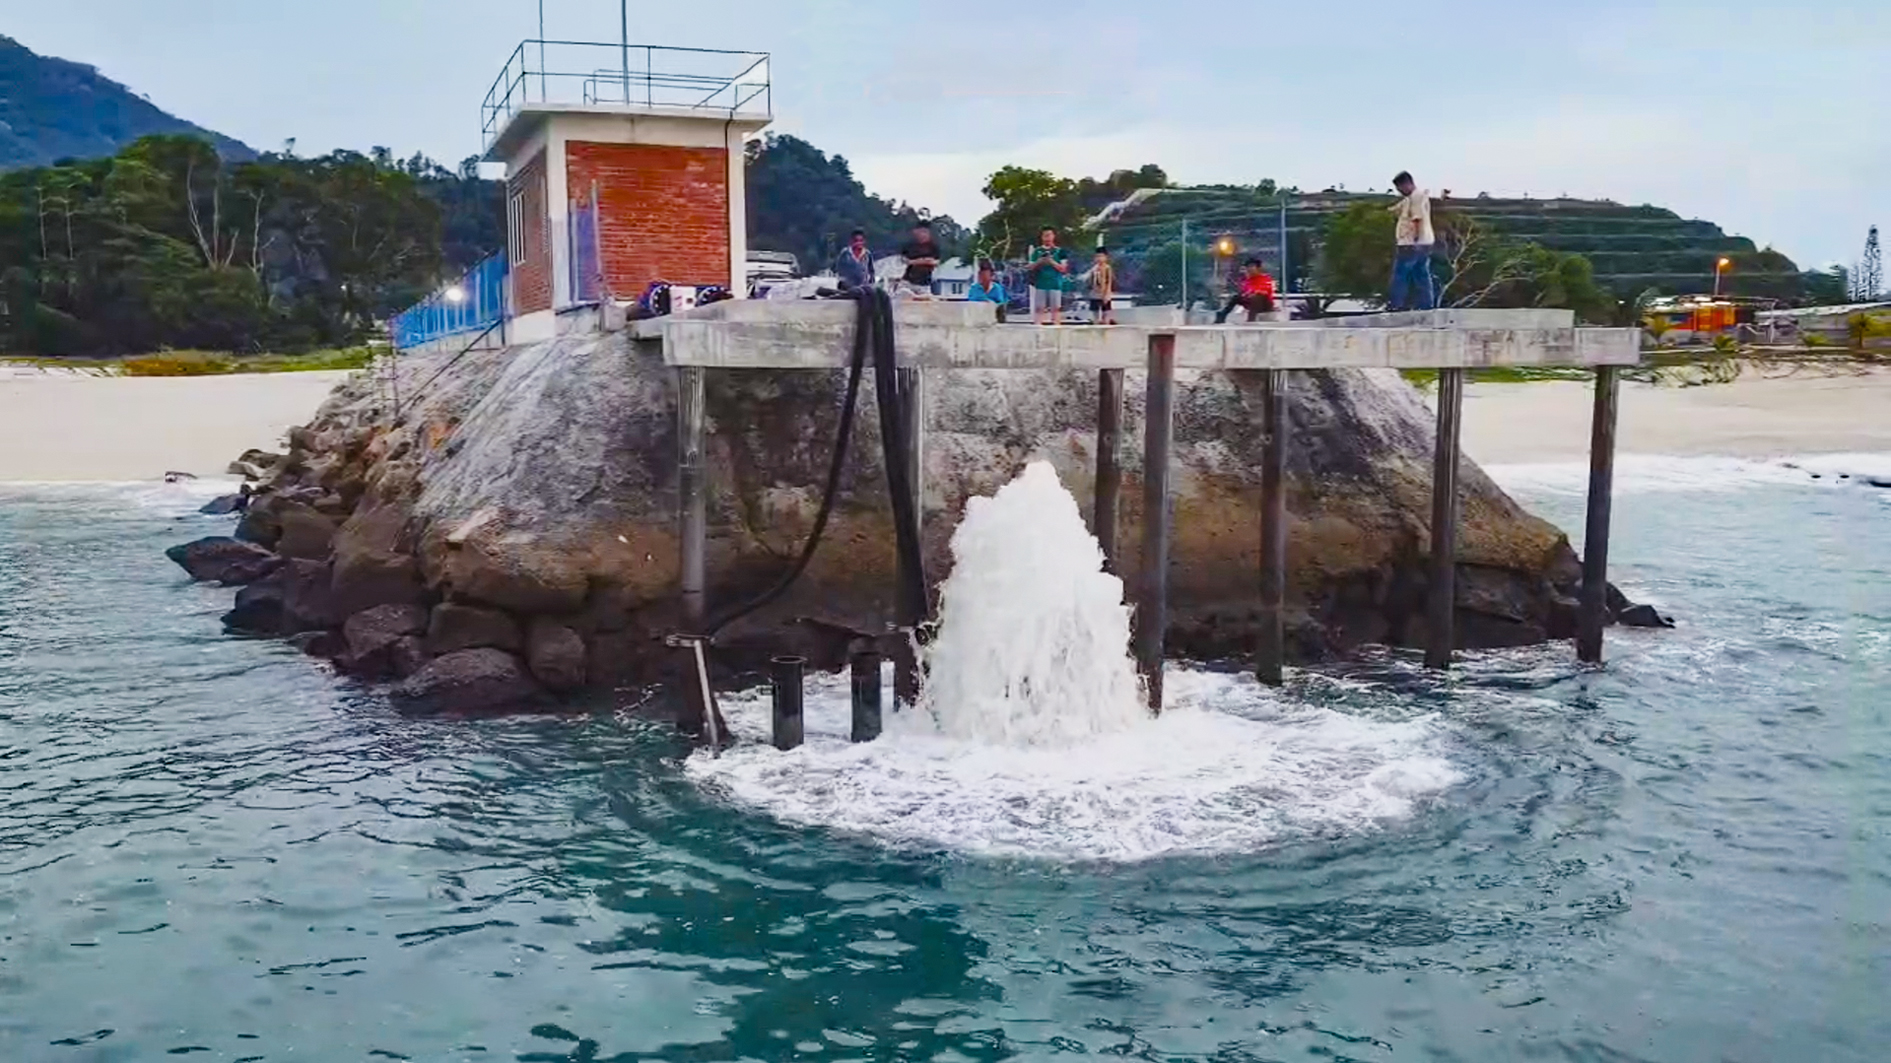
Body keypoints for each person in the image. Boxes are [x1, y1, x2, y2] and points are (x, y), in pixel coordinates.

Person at [1387, 171, 1437, 311]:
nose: (1400, 192)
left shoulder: (1417, 197)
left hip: (1412, 243)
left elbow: (1417, 218)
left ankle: (1396, 304)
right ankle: (1426, 305)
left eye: (1400, 188)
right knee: (1421, 274)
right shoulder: (1411, 198)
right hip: (1423, 242)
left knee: (1400, 274)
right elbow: (1398, 208)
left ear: (1407, 184)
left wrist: (1415, 239)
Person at [1027, 227, 1070, 325]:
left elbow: (1063, 268)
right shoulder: (1037, 251)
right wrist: (1040, 261)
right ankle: (1038, 328)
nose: (1047, 238)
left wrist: (1051, 262)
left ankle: (1056, 327)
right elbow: (1030, 266)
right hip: (1040, 283)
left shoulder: (1060, 251)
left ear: (1053, 236)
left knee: (1056, 308)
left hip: (1055, 283)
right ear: (1042, 237)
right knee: (1039, 308)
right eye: (1045, 236)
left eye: (1049, 235)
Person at [1215, 259, 1277, 323]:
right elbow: (1244, 291)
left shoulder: (1265, 278)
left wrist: (1253, 293)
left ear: (1258, 268)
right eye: (1248, 267)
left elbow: (1264, 291)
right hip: (1250, 300)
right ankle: (1222, 315)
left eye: (1252, 267)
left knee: (1257, 297)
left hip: (1264, 304)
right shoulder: (1247, 280)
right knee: (1236, 297)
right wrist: (1245, 295)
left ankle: (1251, 320)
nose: (1250, 269)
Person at [898, 221, 942, 298]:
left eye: (926, 232)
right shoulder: (909, 246)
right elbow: (904, 260)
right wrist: (922, 261)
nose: (923, 235)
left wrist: (919, 261)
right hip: (908, 281)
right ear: (916, 232)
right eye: (921, 232)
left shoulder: (933, 247)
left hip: (924, 283)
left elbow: (936, 262)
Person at [1087, 247, 1116, 324]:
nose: (1099, 258)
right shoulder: (1094, 268)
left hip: (1104, 292)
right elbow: (1091, 280)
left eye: (1101, 256)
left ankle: (1106, 324)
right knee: (1095, 311)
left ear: (1106, 257)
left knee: (1105, 311)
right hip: (1095, 292)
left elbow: (1109, 281)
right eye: (1097, 256)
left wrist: (1107, 293)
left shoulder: (1107, 268)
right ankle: (1095, 324)